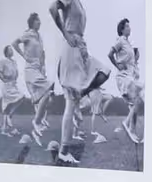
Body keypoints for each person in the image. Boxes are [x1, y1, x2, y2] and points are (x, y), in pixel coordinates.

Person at [48, 0, 110, 165]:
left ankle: (80, 92)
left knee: (104, 71)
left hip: (80, 48)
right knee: (70, 102)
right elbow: (52, 7)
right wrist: (66, 34)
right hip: (71, 47)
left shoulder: (79, 3)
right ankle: (63, 152)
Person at [12, 14, 54, 142]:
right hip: (30, 70)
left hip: (38, 70)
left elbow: (42, 54)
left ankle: (38, 123)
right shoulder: (28, 34)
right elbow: (14, 43)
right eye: (38, 20)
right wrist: (24, 56)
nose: (40, 22)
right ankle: (37, 122)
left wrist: (43, 67)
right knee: (48, 91)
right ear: (32, 22)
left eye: (40, 20)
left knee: (47, 96)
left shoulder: (39, 36)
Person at [109, 17, 143, 146]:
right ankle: (126, 124)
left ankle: (132, 131)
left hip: (129, 77)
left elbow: (133, 60)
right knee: (141, 95)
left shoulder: (128, 43)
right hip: (123, 78)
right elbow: (110, 54)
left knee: (136, 103)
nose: (130, 28)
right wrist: (117, 65)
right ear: (122, 29)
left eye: (130, 26)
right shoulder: (120, 41)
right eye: (127, 26)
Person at [0, 45, 25, 136]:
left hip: (13, 84)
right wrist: (3, 79)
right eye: (10, 50)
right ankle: (5, 128)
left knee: (21, 97)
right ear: (6, 52)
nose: (12, 51)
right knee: (7, 106)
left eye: (12, 49)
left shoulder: (14, 61)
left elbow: (16, 72)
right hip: (7, 85)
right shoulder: (3, 61)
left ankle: (5, 126)